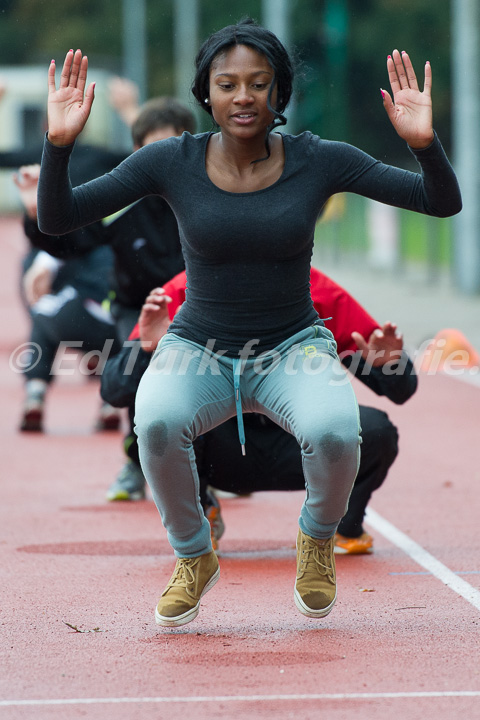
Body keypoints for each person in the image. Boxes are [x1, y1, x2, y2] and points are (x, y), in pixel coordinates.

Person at [37, 20, 461, 628]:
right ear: (205, 93)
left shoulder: (318, 160)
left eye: (259, 84)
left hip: (293, 345)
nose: (243, 96)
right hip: (197, 347)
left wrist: (424, 144)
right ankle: (193, 556)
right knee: (154, 422)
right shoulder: (170, 161)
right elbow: (59, 217)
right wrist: (58, 143)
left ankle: (316, 538)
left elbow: (439, 201)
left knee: (339, 433)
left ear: (278, 94)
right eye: (227, 83)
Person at [100, 268, 416, 556]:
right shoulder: (181, 292)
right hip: (216, 452)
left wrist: (390, 365)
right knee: (165, 414)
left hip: (297, 450)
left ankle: (339, 525)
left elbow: (401, 390)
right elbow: (114, 392)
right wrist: (147, 351)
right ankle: (198, 517)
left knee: (377, 432)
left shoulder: (318, 292)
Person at [31, 95, 194, 496]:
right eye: (151, 148)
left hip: (198, 310)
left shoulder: (206, 201)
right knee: (139, 381)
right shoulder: (120, 205)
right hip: (134, 309)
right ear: (137, 152)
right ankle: (137, 467)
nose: (162, 158)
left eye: (172, 146)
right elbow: (65, 241)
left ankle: (218, 465)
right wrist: (32, 215)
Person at [13, 164, 122, 432]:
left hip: (88, 313)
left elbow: (35, 292)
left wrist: (34, 210)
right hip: (128, 322)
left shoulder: (71, 237)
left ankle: (35, 394)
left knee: (41, 315)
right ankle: (110, 400)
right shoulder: (125, 220)